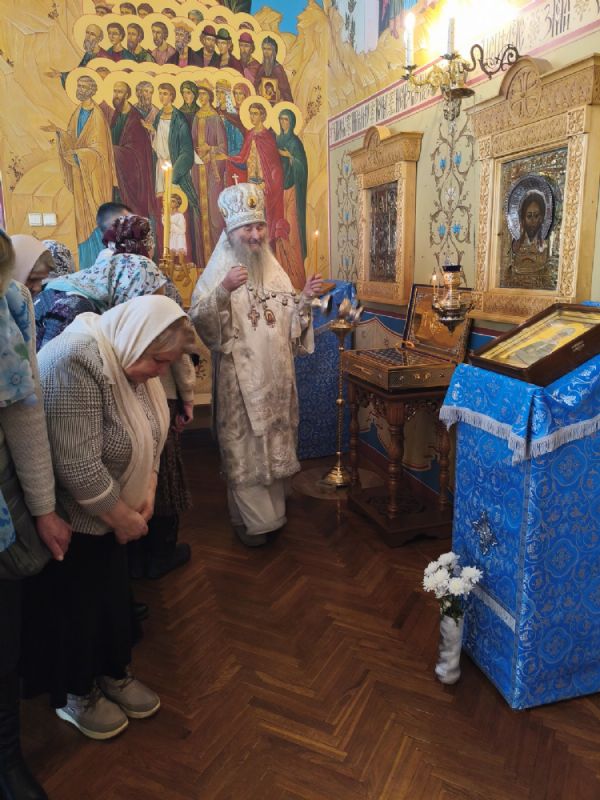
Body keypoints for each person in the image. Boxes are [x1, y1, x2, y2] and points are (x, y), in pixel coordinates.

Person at [21, 295, 196, 740]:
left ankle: (113, 672)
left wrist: (149, 490)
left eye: (167, 363)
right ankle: (77, 693)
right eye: (158, 361)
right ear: (137, 338)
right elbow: (76, 464)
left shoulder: (130, 354)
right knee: (79, 610)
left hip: (115, 515)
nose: (160, 372)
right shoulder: (75, 360)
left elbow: (154, 432)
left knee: (110, 603)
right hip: (74, 521)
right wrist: (123, 519)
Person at [189, 183, 322, 546]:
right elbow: (199, 318)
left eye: (259, 226)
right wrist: (223, 290)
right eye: (247, 227)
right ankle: (254, 521)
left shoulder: (276, 272)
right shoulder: (219, 271)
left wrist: (304, 300)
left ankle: (270, 514)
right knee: (245, 449)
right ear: (231, 231)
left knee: (274, 444)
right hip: (240, 380)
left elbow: (291, 324)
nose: (255, 235)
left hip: (276, 379)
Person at [0, 230, 71, 800]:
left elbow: (24, 409)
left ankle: (6, 757)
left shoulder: (11, 295)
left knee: (4, 639)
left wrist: (44, 508)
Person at [35, 215, 166, 350]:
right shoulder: (76, 311)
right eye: (149, 301)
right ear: (132, 289)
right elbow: (54, 361)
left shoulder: (78, 288)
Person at [41, 75, 117, 269]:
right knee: (82, 221)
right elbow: (72, 139)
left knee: (95, 219)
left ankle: (100, 266)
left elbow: (99, 151)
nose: (80, 89)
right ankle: (86, 266)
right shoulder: (77, 112)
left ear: (91, 90)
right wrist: (60, 132)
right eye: (78, 86)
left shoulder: (97, 116)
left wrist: (79, 155)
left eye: (83, 87)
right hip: (79, 176)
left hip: (94, 179)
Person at [228, 102, 286, 251]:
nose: (252, 117)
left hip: (264, 185)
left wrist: (268, 183)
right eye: (250, 113)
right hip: (251, 183)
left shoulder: (268, 137)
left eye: (255, 113)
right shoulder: (250, 134)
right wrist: (227, 158)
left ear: (262, 115)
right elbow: (242, 156)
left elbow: (274, 165)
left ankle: (265, 250)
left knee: (264, 218)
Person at [109, 81, 156, 221]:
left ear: (127, 95)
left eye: (120, 92)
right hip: (117, 171)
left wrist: (114, 151)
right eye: (115, 91)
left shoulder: (135, 118)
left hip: (132, 175)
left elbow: (138, 153)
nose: (116, 95)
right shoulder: (116, 115)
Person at [191, 80, 227, 267]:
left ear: (210, 96)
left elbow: (223, 148)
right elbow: (192, 142)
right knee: (199, 213)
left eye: (204, 94)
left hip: (212, 172)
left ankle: (219, 260)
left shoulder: (215, 118)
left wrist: (209, 149)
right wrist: (196, 155)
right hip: (198, 169)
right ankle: (202, 261)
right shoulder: (197, 117)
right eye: (200, 94)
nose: (201, 97)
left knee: (214, 215)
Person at [276, 108, 308, 289]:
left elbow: (302, 167)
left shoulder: (295, 142)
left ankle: (297, 277)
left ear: (292, 122)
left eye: (286, 120)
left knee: (292, 231)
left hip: (292, 190)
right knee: (280, 231)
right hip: (279, 191)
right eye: (281, 119)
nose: (283, 123)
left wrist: (291, 157)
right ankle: (283, 275)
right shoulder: (277, 140)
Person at [253, 36, 293, 102]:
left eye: (269, 49)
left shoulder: (278, 69)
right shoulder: (261, 68)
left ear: (274, 52)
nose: (266, 52)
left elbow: (285, 91)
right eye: (264, 49)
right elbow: (255, 87)